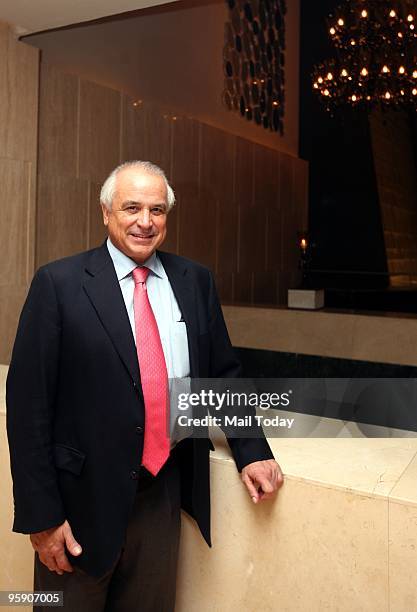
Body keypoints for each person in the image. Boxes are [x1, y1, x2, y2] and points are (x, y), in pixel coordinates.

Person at [6, 160, 283, 612]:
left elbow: (221, 375)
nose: (144, 222)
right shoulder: (59, 284)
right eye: (131, 207)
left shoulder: (195, 281)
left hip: (161, 495)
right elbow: (27, 407)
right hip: (79, 506)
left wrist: (252, 451)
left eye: (157, 210)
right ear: (105, 212)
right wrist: (42, 517)